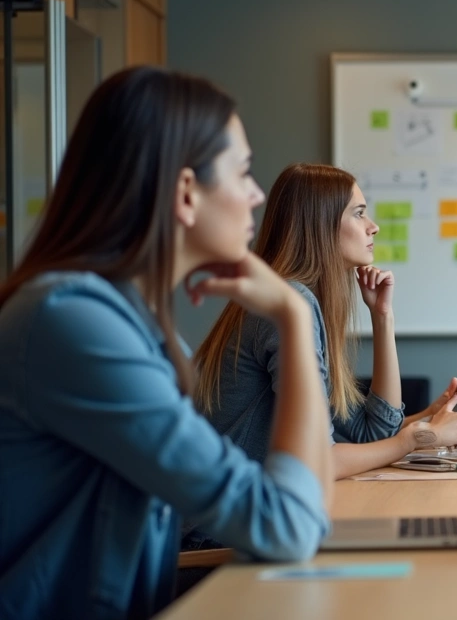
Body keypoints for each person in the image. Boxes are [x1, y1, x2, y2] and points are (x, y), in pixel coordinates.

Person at [0, 67, 332, 619]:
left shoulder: (126, 321)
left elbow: (309, 512)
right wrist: (294, 317)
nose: (255, 195)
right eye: (243, 172)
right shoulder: (75, 324)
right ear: (184, 193)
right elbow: (288, 525)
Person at [194, 163, 457, 482]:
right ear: (321, 225)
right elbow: (318, 461)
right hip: (222, 530)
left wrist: (382, 317)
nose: (373, 227)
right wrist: (416, 437)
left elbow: (370, 434)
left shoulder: (295, 298)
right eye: (359, 213)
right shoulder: (289, 303)